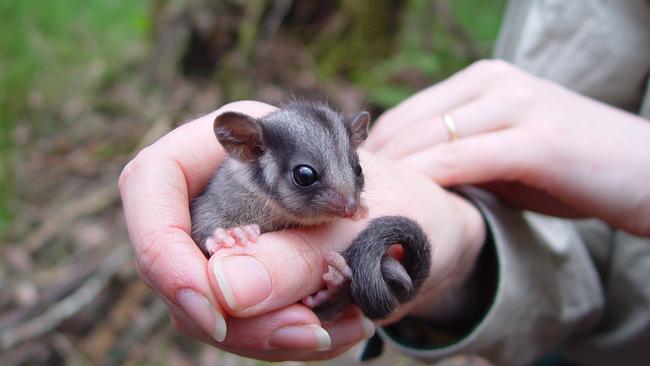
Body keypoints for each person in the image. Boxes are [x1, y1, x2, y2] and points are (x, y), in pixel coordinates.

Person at [119, 0, 650, 365]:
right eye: (309, 178)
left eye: (354, 171)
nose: (349, 202)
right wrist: (466, 247)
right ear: (249, 149)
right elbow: (587, 256)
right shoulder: (238, 185)